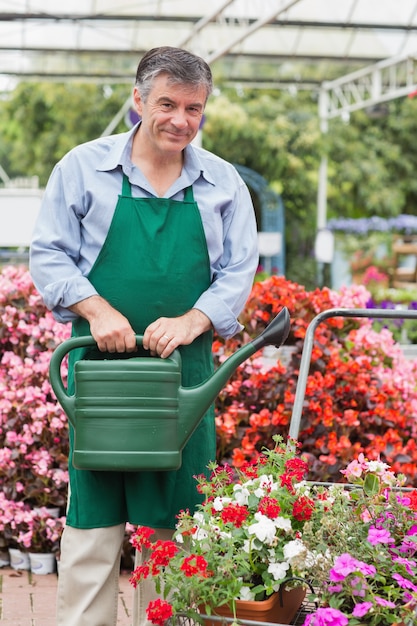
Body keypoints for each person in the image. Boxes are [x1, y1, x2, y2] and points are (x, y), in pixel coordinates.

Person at [30, 46, 258, 626]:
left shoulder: (223, 184)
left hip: (183, 378)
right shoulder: (81, 169)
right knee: (93, 518)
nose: (180, 120)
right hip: (100, 374)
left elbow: (237, 273)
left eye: (193, 108)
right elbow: (48, 254)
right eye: (167, 104)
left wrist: (193, 321)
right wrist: (96, 308)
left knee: (175, 521)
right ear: (138, 100)